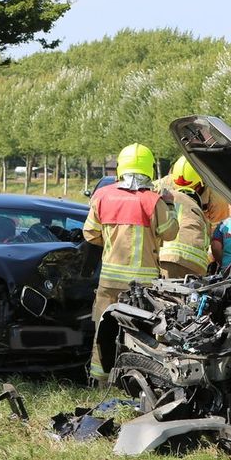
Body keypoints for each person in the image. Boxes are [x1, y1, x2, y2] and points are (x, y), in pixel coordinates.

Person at [83, 143, 178, 385]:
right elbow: (171, 233)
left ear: (120, 167)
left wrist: (111, 238)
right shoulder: (152, 200)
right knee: (140, 335)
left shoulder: (102, 196)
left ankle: (100, 381)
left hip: (109, 281)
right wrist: (168, 204)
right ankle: (135, 382)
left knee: (103, 331)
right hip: (142, 286)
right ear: (149, 170)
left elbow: (90, 234)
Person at [158, 157, 211, 278]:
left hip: (162, 257)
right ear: (200, 184)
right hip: (193, 263)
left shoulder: (162, 194)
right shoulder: (211, 196)